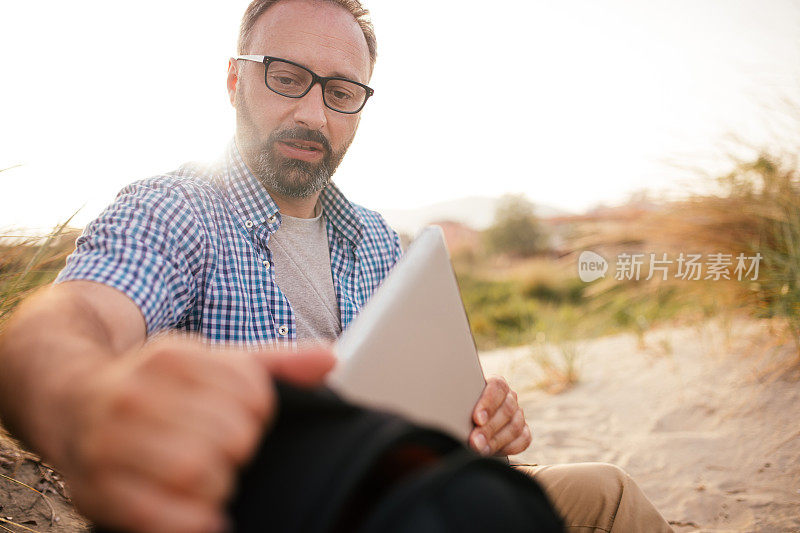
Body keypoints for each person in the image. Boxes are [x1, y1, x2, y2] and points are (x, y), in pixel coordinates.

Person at [0, 1, 674, 532]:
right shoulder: (175, 210)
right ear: (235, 79)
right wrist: (81, 401)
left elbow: (423, 399)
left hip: (398, 494)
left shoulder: (379, 241)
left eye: (342, 91)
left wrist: (486, 418)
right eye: (287, 77)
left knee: (610, 495)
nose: (312, 112)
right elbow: (66, 322)